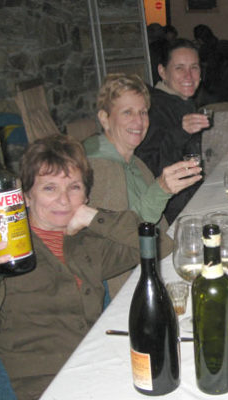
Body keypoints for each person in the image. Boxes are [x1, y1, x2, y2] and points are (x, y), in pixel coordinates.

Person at [0, 134, 141, 400]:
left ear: (87, 194)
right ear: (26, 197)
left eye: (74, 187)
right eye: (49, 188)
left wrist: (94, 217)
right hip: (45, 385)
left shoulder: (89, 242)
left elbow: (155, 244)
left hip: (101, 368)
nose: (64, 200)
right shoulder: (3, 249)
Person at [84, 73, 202, 296]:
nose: (138, 122)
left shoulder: (136, 163)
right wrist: (161, 190)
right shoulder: (96, 169)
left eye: (143, 112)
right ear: (104, 118)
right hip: (128, 286)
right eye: (127, 112)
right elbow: (119, 240)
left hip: (155, 264)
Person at [134, 39, 208, 225]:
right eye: (179, 68)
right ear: (162, 71)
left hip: (189, 199)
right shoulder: (151, 108)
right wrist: (180, 131)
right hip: (168, 216)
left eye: (194, 67)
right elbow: (149, 167)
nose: (189, 76)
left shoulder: (180, 102)